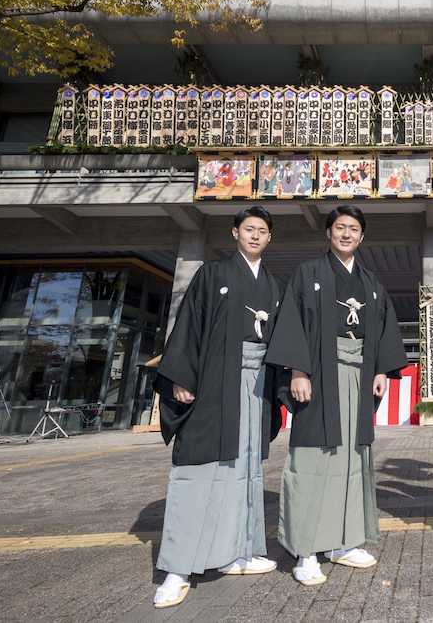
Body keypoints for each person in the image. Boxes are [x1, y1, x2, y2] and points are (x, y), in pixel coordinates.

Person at [265, 204, 407, 586]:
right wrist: (298, 370)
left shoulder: (371, 283)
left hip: (358, 375)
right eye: (340, 227)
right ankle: (306, 550)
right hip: (318, 373)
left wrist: (379, 370)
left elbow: (381, 330)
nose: (346, 234)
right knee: (312, 461)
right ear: (328, 233)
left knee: (351, 460)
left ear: (362, 237)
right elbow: (292, 322)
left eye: (354, 229)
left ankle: (345, 542)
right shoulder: (308, 274)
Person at [152, 206, 284, 608]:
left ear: (269, 238)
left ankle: (236, 551)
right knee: (198, 465)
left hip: (258, 383)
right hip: (213, 381)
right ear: (235, 233)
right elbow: (189, 325)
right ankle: (178, 567)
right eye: (249, 229)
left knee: (245, 467)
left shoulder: (275, 286)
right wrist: (182, 377)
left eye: (263, 231)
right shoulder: (212, 275)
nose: (256, 236)